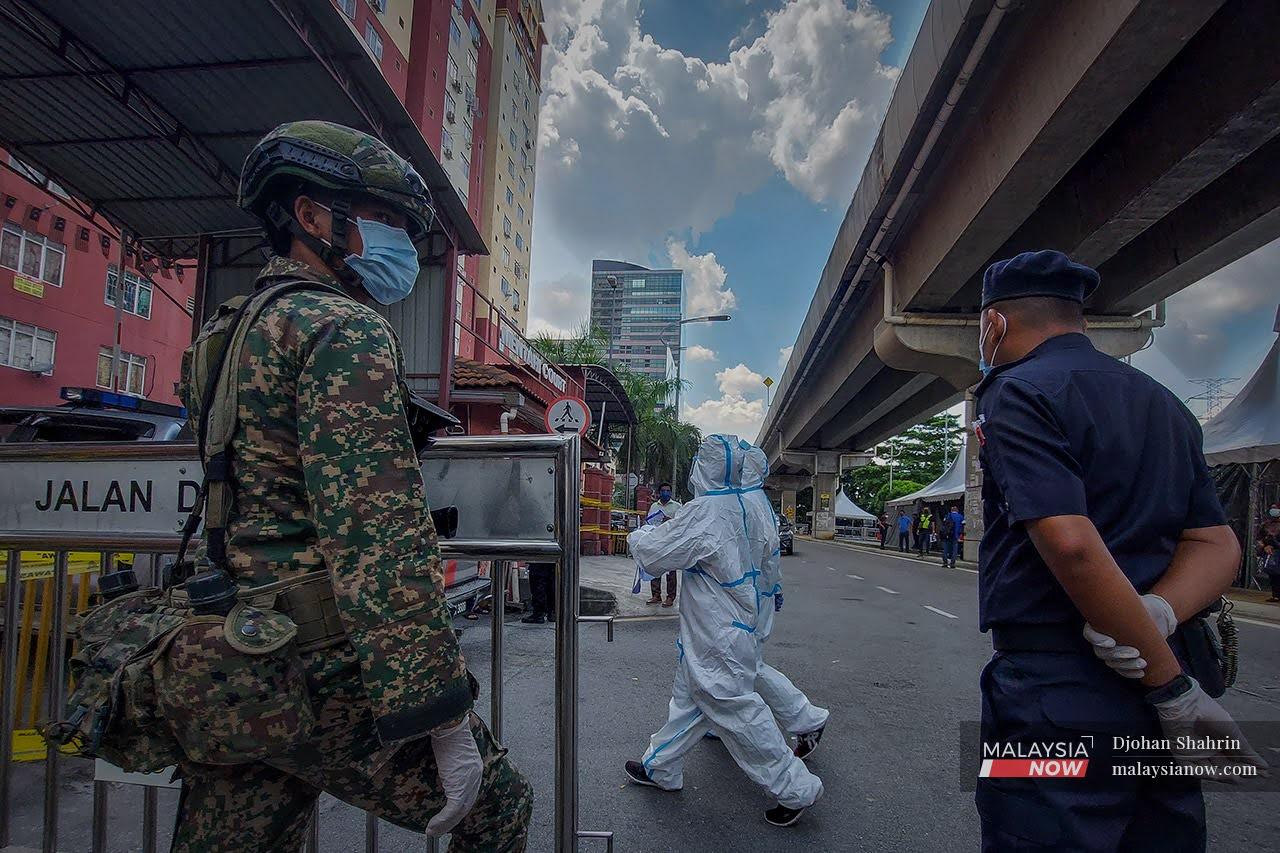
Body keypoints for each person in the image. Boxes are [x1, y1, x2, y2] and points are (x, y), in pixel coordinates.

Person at [174, 121, 531, 851]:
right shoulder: (342, 329)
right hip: (319, 665)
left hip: (228, 656)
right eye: (388, 221)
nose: (401, 241)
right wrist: (439, 709)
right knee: (496, 810)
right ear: (311, 217)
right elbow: (379, 539)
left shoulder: (224, 332)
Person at [971, 250, 1263, 852]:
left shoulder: (1017, 392)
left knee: (1033, 833)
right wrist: (1158, 612)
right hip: (1162, 690)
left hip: (1056, 698)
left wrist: (1169, 685)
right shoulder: (1166, 403)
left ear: (993, 324)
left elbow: (1073, 546)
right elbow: (1215, 541)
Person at [623, 435, 824, 827]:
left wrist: (642, 533)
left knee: (736, 710)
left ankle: (794, 787)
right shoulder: (748, 505)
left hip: (715, 635)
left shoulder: (708, 511)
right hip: (729, 627)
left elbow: (655, 554)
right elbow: (767, 563)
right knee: (690, 702)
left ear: (708, 468)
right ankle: (659, 766)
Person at [644, 482, 683, 607]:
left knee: (671, 571)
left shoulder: (677, 507)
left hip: (670, 542)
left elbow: (682, 524)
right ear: (659, 493)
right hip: (656, 541)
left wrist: (670, 521)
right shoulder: (654, 506)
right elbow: (649, 522)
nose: (665, 493)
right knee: (655, 569)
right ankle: (656, 595)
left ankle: (670, 597)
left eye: (668, 491)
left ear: (670, 493)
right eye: (663, 491)